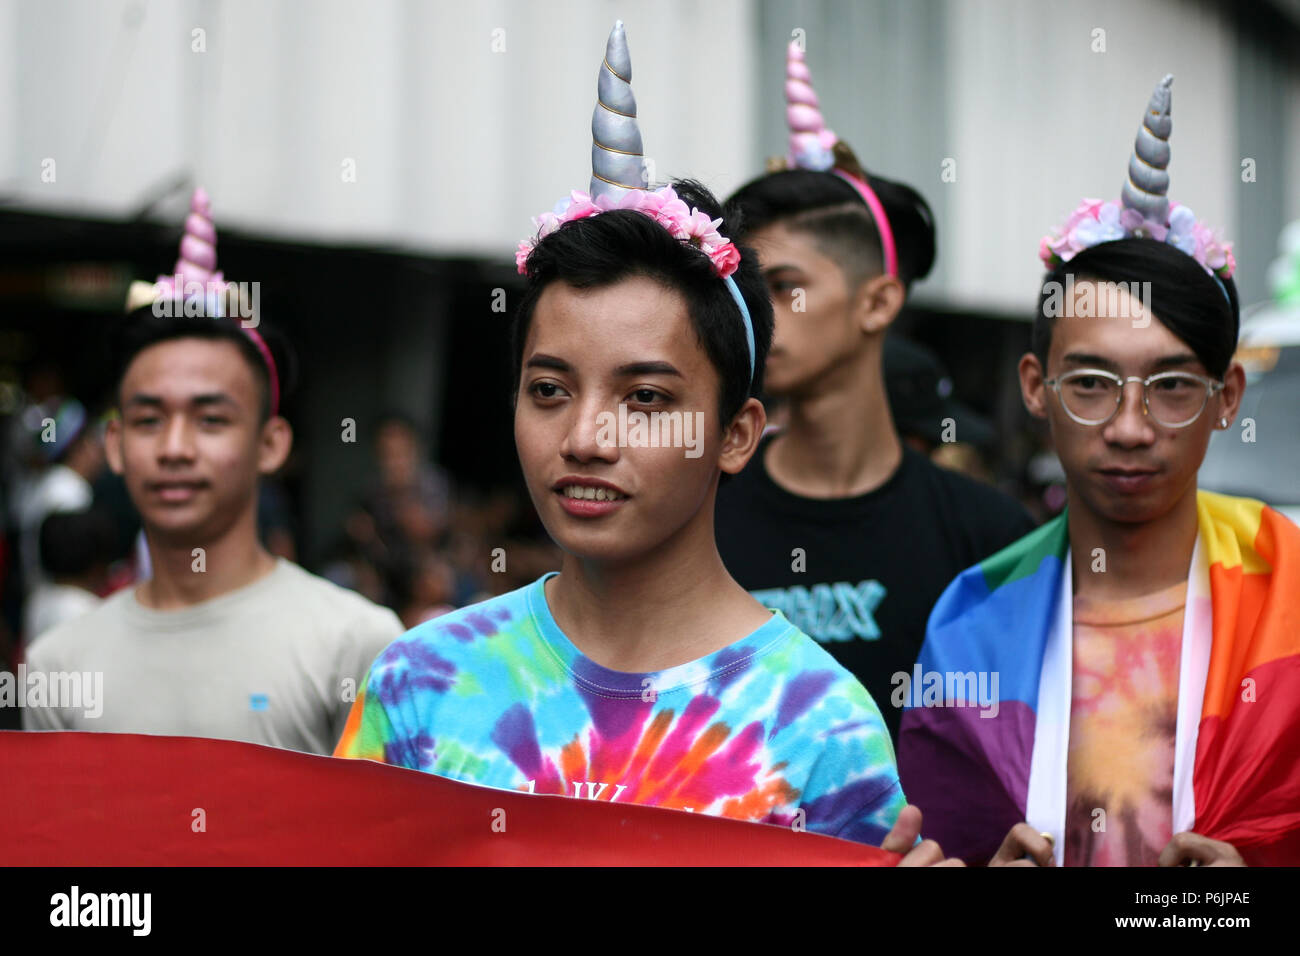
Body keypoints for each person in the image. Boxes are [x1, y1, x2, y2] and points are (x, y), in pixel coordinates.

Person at [336, 22, 954, 864]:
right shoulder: (421, 682)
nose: (586, 438)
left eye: (646, 398)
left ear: (737, 435)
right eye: (549, 390)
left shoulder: (820, 726)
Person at [897, 75, 1300, 866]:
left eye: (1173, 387)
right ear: (1034, 389)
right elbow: (941, 838)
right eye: (1089, 384)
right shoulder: (973, 620)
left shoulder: (1293, 592)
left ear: (1228, 397)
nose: (1128, 427)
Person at [716, 43, 1035, 744]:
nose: (758, 316)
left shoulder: (989, 538)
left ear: (878, 302)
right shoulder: (698, 517)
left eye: (785, 288)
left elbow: (1018, 754)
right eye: (745, 291)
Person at [24, 188, 403, 755]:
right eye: (150, 419)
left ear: (271, 445)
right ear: (117, 444)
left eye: (210, 419)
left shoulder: (356, 644)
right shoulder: (58, 663)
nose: (175, 448)